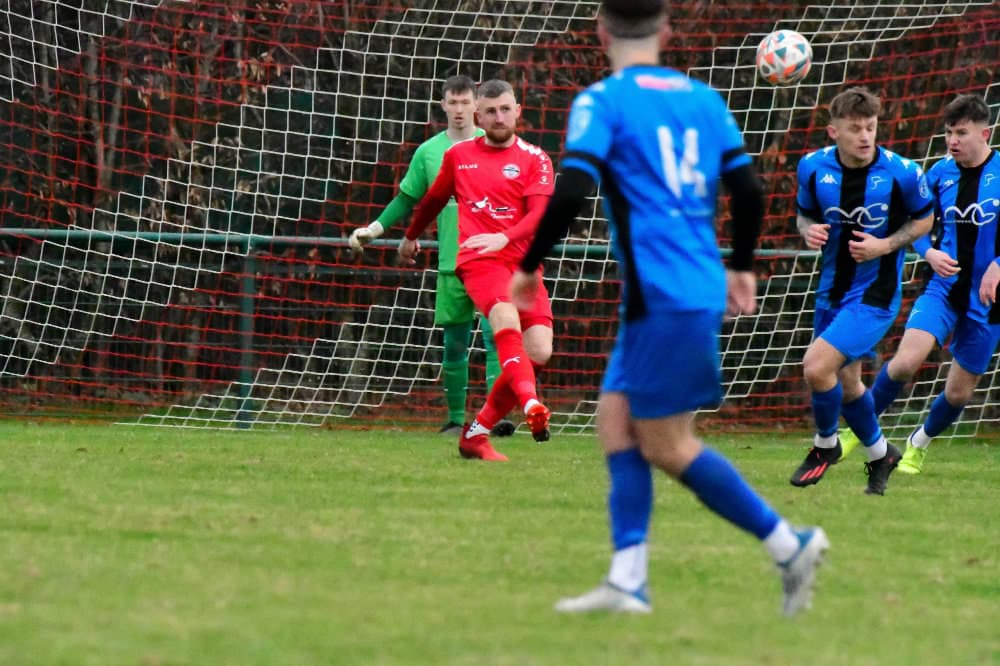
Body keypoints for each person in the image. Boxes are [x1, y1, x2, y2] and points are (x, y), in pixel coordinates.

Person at [510, 0, 827, 616]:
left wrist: (527, 267)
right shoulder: (703, 99)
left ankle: (789, 544)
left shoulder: (602, 101)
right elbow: (748, 188)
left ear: (601, 30)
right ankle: (627, 579)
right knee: (614, 423)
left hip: (665, 295)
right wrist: (741, 265)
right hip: (681, 289)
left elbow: (572, 188)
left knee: (667, 445)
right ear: (666, 29)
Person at [348, 75, 514, 437]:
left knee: (495, 338)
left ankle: (495, 417)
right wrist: (375, 229)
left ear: (476, 105)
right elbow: (407, 198)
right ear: (443, 106)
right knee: (454, 344)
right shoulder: (429, 152)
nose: (459, 110)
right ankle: (455, 420)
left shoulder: (497, 146)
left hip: (493, 264)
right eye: (452, 103)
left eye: (465, 102)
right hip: (452, 264)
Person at [788, 87, 934, 495]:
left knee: (816, 367)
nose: (865, 136)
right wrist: (808, 231)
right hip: (832, 291)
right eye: (855, 129)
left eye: (870, 127)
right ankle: (880, 454)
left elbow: (925, 220)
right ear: (834, 132)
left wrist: (884, 246)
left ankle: (825, 445)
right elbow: (804, 215)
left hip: (875, 296)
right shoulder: (812, 168)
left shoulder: (902, 173)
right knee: (849, 383)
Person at [400, 78, 555, 462]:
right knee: (504, 317)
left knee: (539, 350)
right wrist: (411, 236)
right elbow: (433, 200)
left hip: (523, 263)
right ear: (478, 116)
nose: (499, 117)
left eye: (505, 109)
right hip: (478, 260)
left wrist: (505, 238)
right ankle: (531, 402)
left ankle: (475, 434)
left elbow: (539, 215)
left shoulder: (536, 158)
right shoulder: (459, 155)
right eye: (490, 111)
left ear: (518, 111)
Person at [848, 93, 1000, 474]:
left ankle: (919, 443)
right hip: (943, 288)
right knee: (905, 362)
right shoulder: (938, 174)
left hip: (990, 299)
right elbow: (914, 224)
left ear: (985, 134)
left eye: (961, 133)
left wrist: (998, 265)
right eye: (949, 133)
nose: (952, 141)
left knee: (958, 392)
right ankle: (858, 429)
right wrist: (928, 252)